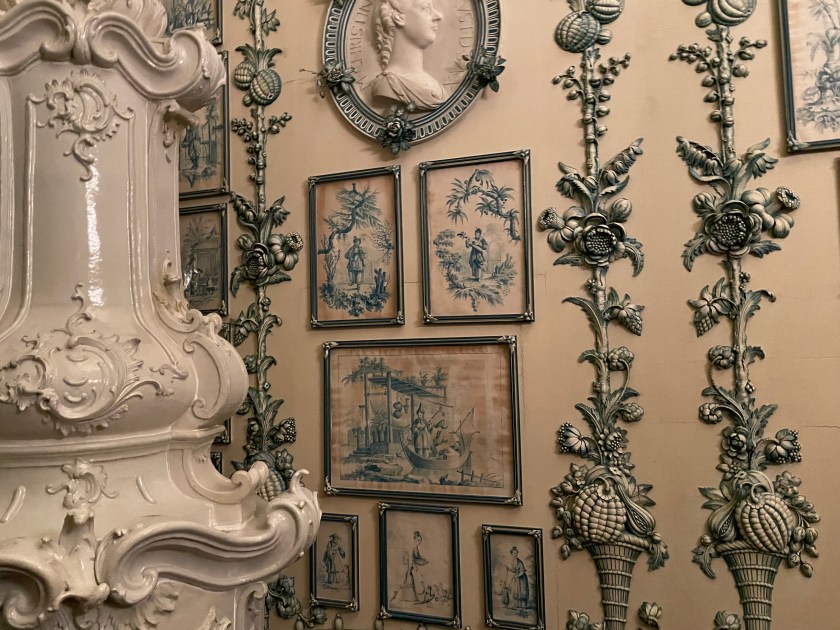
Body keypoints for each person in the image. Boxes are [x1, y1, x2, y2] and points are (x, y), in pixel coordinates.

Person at [372, 0, 447, 110]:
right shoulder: (387, 85)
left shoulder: (437, 87)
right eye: (426, 8)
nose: (438, 16)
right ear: (399, 18)